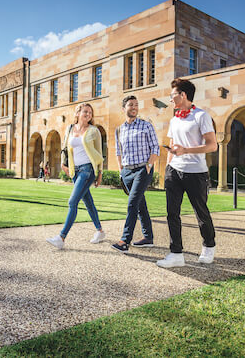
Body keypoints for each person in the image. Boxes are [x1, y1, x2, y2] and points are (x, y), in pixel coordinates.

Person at [157, 78, 218, 268]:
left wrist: (187, 150)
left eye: (172, 95)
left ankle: (209, 245)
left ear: (182, 95)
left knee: (201, 212)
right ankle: (176, 253)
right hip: (174, 171)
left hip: (196, 173)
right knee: (171, 213)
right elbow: (174, 146)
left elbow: (212, 145)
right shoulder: (174, 119)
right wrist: (167, 169)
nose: (170, 99)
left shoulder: (201, 116)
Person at [46, 103, 105, 249]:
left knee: (72, 202)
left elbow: (99, 153)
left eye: (90, 112)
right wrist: (63, 164)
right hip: (75, 171)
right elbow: (65, 148)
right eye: (85, 111)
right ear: (78, 113)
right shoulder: (70, 129)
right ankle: (100, 231)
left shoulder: (94, 130)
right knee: (88, 202)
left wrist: (99, 174)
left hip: (88, 170)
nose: (88, 114)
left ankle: (61, 237)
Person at [111, 95, 160, 253]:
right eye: (131, 105)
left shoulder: (146, 125)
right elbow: (118, 152)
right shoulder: (119, 130)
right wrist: (121, 170)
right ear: (123, 108)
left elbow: (155, 148)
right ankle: (148, 237)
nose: (134, 107)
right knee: (140, 205)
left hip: (142, 169)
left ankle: (125, 241)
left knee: (132, 203)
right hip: (127, 171)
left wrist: (149, 165)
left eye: (136, 105)